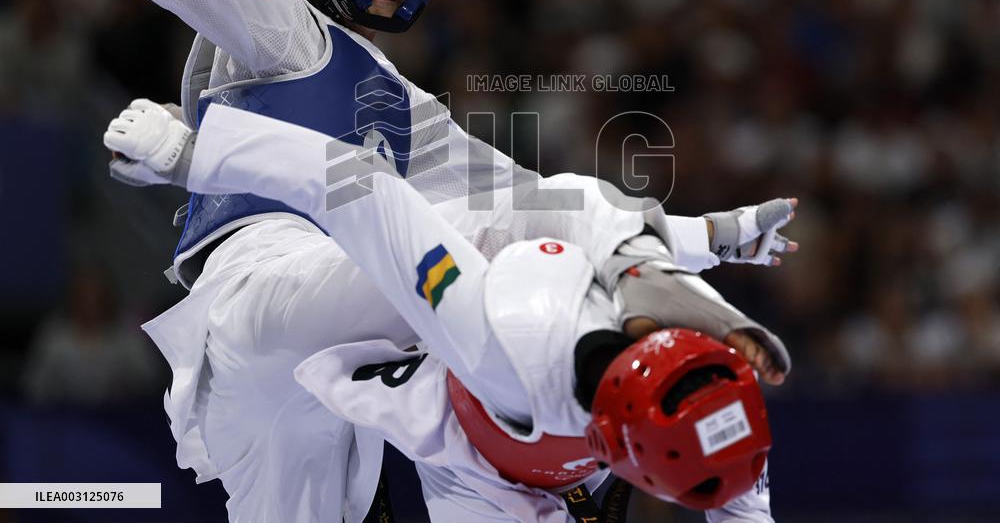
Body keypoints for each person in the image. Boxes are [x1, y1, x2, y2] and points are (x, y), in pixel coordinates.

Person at [104, 0, 796, 520]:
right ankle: (605, 385)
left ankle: (564, 439)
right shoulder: (283, 24)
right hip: (265, 294)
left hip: (289, 369)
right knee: (513, 256)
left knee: (528, 221)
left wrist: (713, 237)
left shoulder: (405, 108)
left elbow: (542, 203)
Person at [105, 100, 792, 522]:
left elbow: (739, 500)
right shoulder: (494, 336)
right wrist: (191, 155)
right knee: (549, 207)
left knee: (590, 216)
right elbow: (360, 185)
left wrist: (714, 242)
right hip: (466, 447)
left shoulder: (717, 388)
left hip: (535, 451)